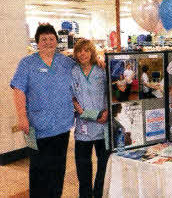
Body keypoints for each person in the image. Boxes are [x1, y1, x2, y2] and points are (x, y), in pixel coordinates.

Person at [11, 23, 76, 197]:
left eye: (51, 38)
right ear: (37, 42)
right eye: (44, 39)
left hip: (62, 125)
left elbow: (82, 74)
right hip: (37, 126)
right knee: (39, 169)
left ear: (56, 40)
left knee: (58, 168)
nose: (48, 42)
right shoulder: (27, 63)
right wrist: (22, 117)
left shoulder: (66, 62)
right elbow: (18, 90)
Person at [72, 39, 109, 198]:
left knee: (104, 167)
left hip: (102, 127)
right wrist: (89, 114)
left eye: (87, 50)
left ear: (92, 52)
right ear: (76, 53)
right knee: (83, 170)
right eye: (80, 51)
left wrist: (107, 111)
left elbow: (110, 93)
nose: (83, 54)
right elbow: (72, 98)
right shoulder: (73, 72)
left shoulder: (101, 71)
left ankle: (98, 194)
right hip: (83, 130)